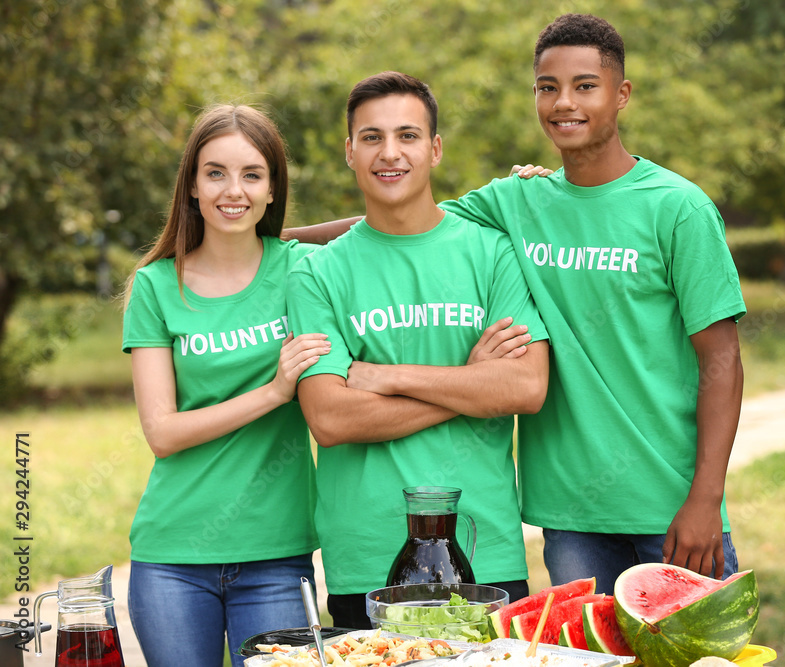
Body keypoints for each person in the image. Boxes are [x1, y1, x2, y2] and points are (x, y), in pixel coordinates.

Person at [433, 13, 747, 594]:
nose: (563, 103)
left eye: (585, 86)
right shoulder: (518, 201)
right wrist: (266, 239)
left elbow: (722, 361)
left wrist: (707, 497)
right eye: (547, 88)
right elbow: (398, 223)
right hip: (571, 516)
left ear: (621, 94)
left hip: (673, 510)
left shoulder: (677, 208)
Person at [285, 71, 550, 629]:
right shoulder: (319, 273)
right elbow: (331, 418)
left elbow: (524, 386)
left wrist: (386, 376)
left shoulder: (494, 253)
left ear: (434, 149)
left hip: (485, 554)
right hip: (367, 557)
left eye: (407, 136)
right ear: (350, 152)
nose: (390, 153)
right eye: (372, 137)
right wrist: (470, 384)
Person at [121, 104, 330, 667]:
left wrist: (520, 190)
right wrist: (273, 391)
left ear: (272, 189)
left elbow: (389, 225)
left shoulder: (302, 270)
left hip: (276, 556)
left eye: (251, 175)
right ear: (191, 184)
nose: (231, 190)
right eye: (215, 173)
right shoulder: (156, 286)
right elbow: (162, 432)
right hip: (172, 558)